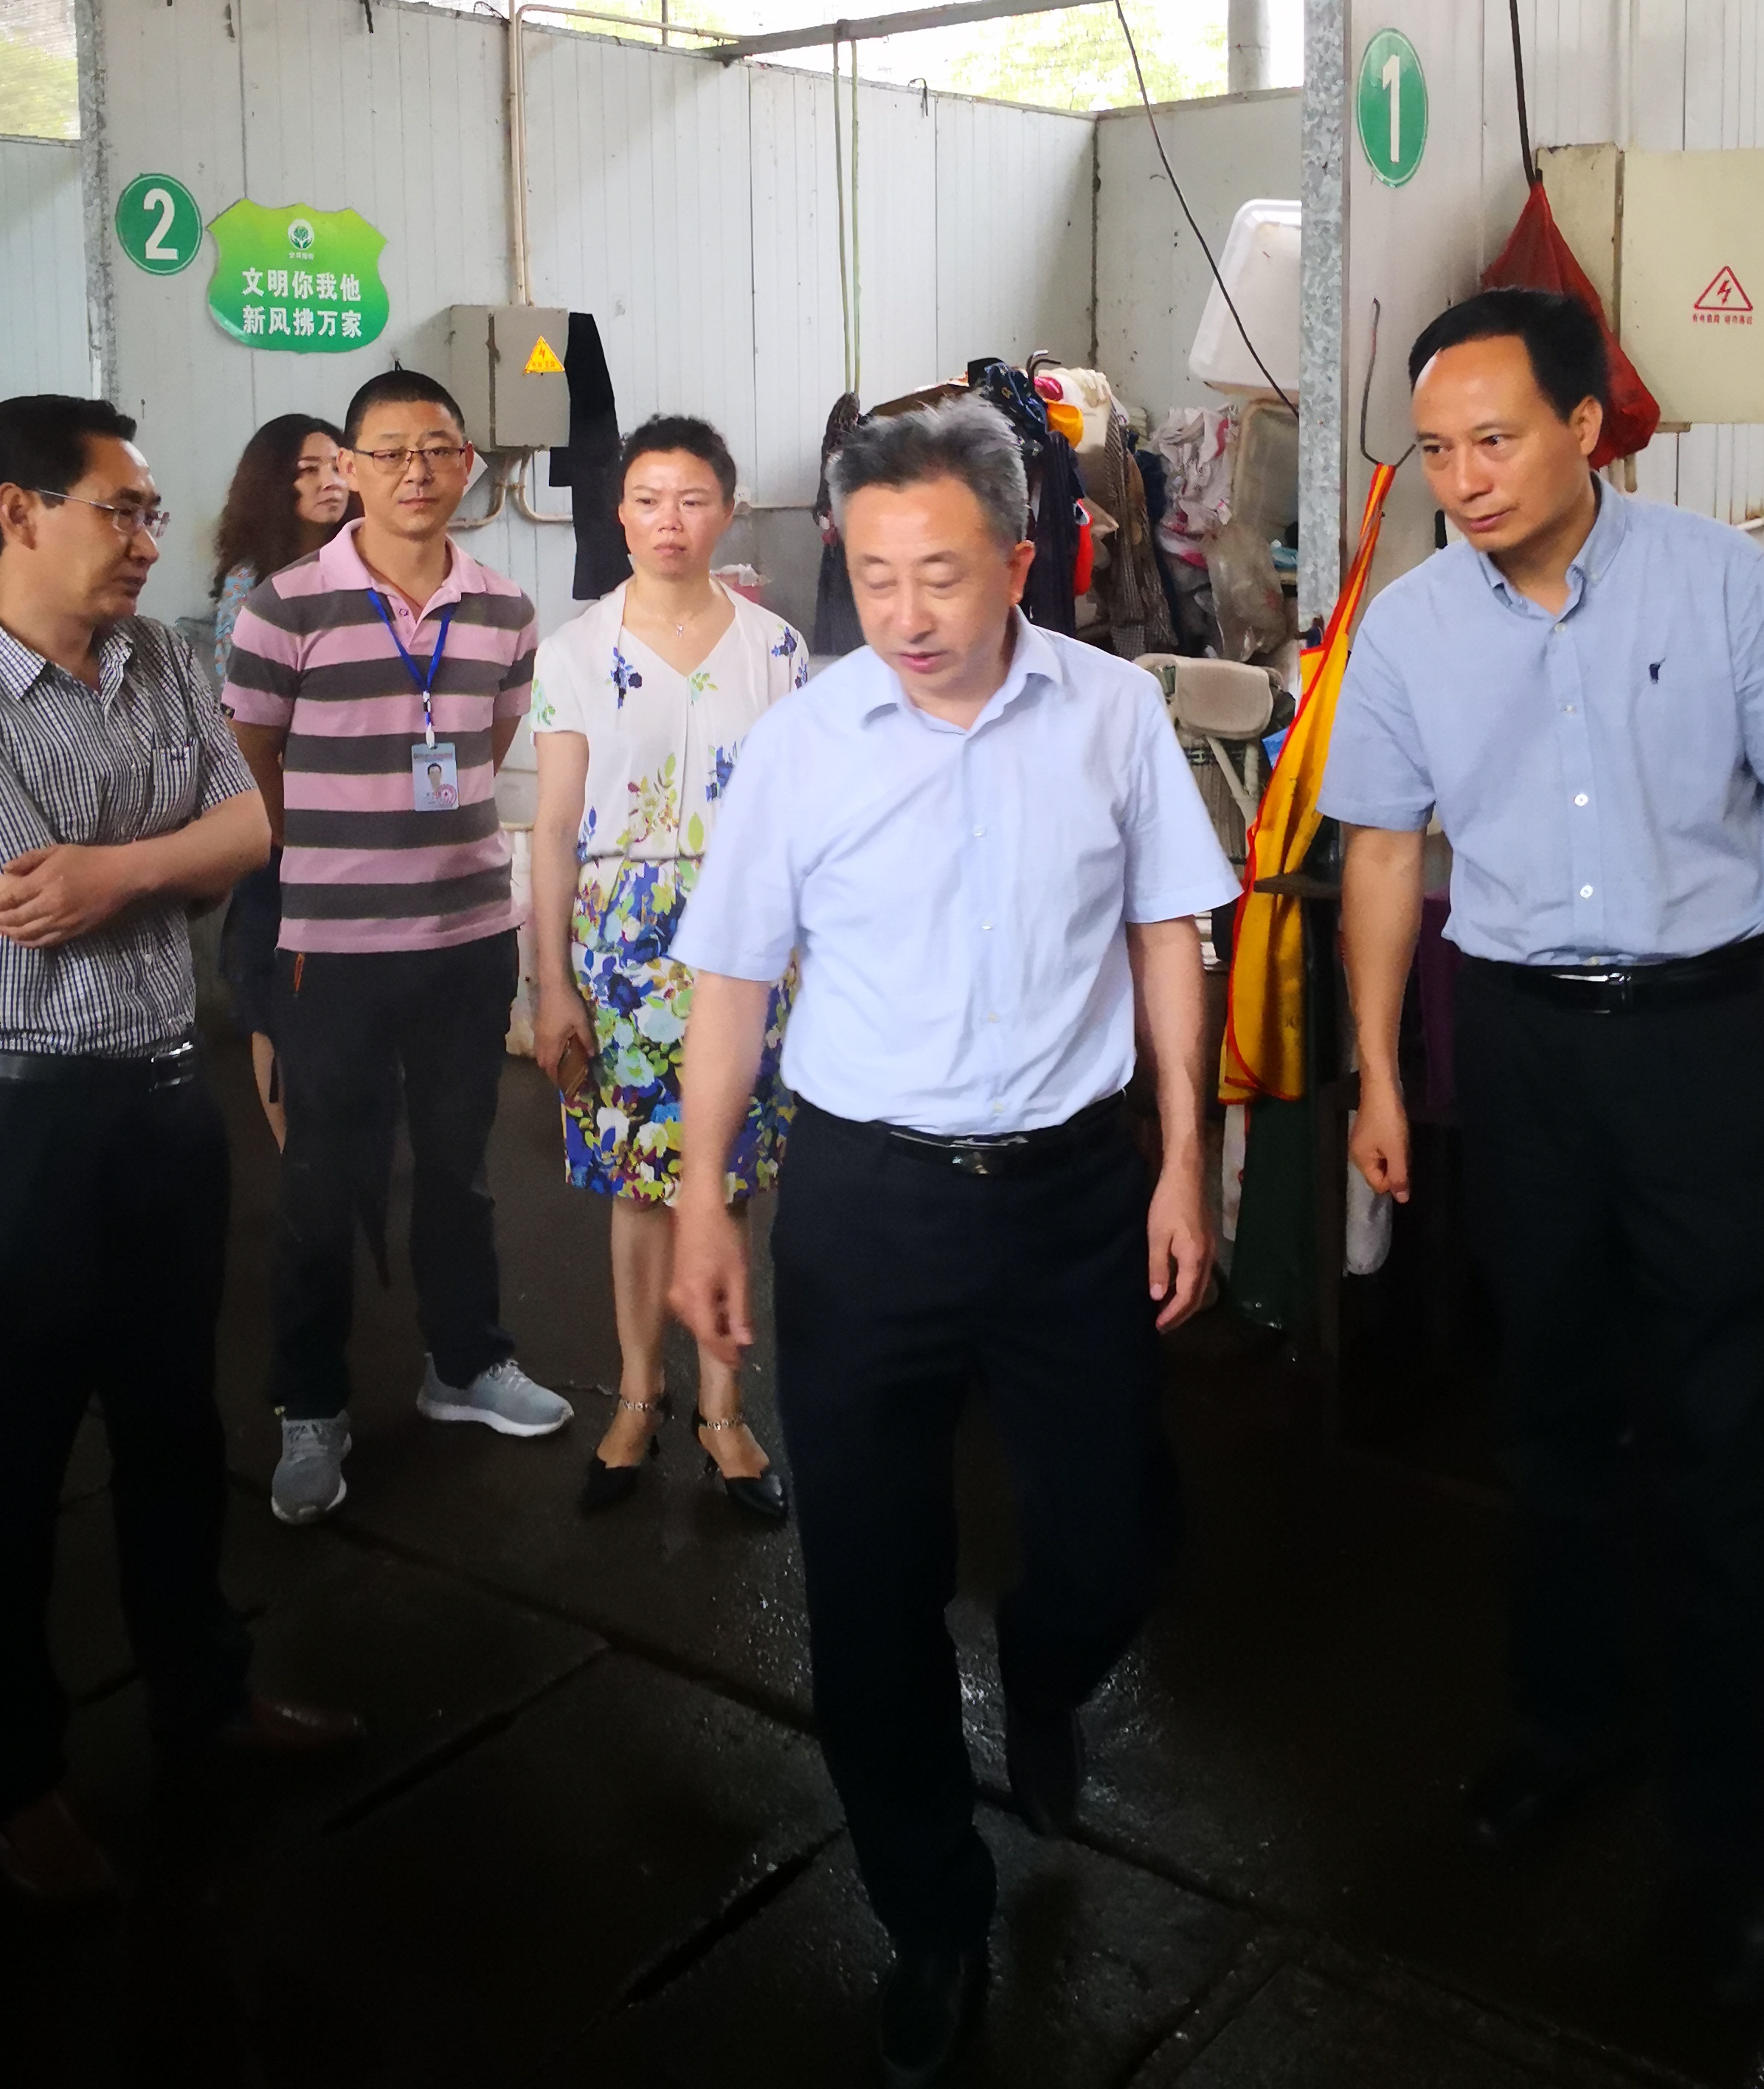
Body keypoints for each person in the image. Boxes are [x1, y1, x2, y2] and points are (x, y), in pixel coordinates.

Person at [1321, 288, 1764, 2007]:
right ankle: (1567, 1724)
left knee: (1720, 1435)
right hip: (1520, 1051)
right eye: (1438, 448)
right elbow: (1380, 855)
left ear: (1587, 428)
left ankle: (1725, 1843)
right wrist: (1375, 1072)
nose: (1465, 476)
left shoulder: (1716, 583)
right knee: (1552, 1408)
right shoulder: (1411, 625)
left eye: (1495, 438)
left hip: (1705, 1042)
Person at [667, 396, 1231, 2089]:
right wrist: (704, 1197)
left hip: (1072, 1196)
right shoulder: (805, 741)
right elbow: (731, 977)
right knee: (868, 1582)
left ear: (1021, 559)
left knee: (1119, 1534)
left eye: (943, 574)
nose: (906, 612)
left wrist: (1185, 1160)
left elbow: (1169, 930)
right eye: (874, 574)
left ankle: (1046, 1671)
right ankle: (931, 1909)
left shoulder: (1113, 711)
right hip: (867, 1204)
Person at [0, 394, 357, 1902]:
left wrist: (121, 867)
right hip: (22, 1120)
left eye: (150, 511)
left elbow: (248, 832)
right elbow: (29, 894)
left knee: (172, 1429)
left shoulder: (164, 660)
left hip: (163, 1102)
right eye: (121, 508)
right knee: (9, 1458)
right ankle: (13, 1780)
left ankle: (203, 1697)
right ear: (19, 512)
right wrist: (161, 862)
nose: (150, 536)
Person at [224, 367, 567, 1528]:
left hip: (468, 937)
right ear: (351, 468)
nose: (415, 470)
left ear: (467, 463)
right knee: (322, 1181)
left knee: (460, 1171)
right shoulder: (283, 608)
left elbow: (486, 743)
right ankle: (310, 1406)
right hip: (332, 946)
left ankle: (464, 1364)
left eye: (438, 448)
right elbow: (254, 761)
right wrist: (335, 853)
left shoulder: (506, 609)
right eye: (388, 450)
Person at [530, 417, 807, 1524]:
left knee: (727, 1173)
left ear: (727, 511)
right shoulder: (576, 650)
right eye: (648, 499)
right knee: (640, 1184)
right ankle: (641, 1398)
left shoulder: (777, 650)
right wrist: (551, 983)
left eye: (692, 499)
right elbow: (554, 831)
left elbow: (799, 819)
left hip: (748, 933)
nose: (669, 522)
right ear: (619, 514)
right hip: (620, 942)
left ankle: (725, 1408)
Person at [209, 413, 353, 1145]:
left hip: (363, 817)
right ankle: (294, 1150)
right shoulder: (252, 585)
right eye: (308, 469)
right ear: (273, 482)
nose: (330, 481)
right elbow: (242, 724)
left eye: (338, 464)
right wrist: (284, 829)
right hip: (283, 820)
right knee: (274, 989)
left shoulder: (369, 566)